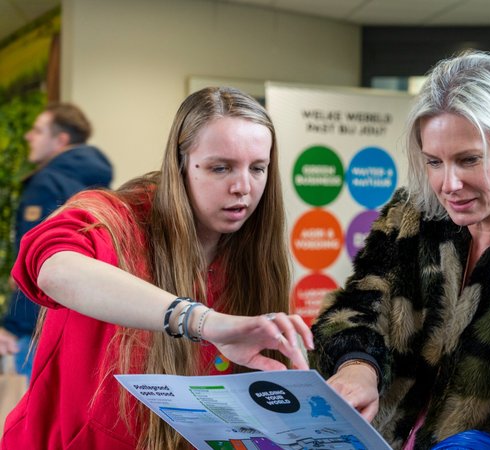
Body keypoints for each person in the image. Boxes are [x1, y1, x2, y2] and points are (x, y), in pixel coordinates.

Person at [2, 87, 314, 450]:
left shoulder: (251, 257)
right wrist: (205, 322)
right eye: (220, 168)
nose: (243, 187)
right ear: (180, 165)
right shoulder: (115, 218)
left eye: (258, 168)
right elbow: (54, 269)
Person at [311, 51, 490, 450]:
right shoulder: (410, 217)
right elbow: (354, 308)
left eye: (469, 160)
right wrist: (358, 365)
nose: (449, 184)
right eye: (434, 162)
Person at [0, 103, 112, 379]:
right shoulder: (96, 184)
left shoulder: (47, 183)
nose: (29, 137)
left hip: (39, 325)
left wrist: (13, 325)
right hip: (84, 318)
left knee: (33, 415)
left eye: (38, 131)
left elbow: (39, 266)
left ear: (60, 140)